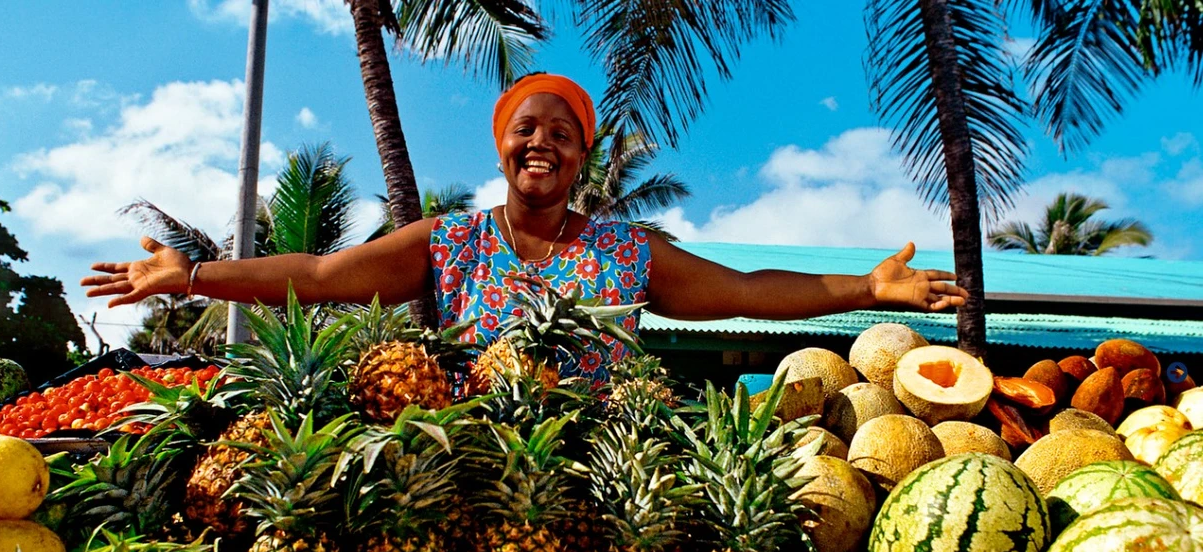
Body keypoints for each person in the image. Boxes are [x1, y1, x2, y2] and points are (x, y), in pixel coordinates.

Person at [83, 73, 968, 381]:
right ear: (503, 149)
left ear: (583, 157)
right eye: (525, 129)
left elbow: (742, 295)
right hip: (474, 466)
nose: (541, 142)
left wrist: (866, 287)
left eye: (562, 133)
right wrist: (192, 276)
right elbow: (318, 277)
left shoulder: (630, 249)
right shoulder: (447, 242)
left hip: (607, 471)